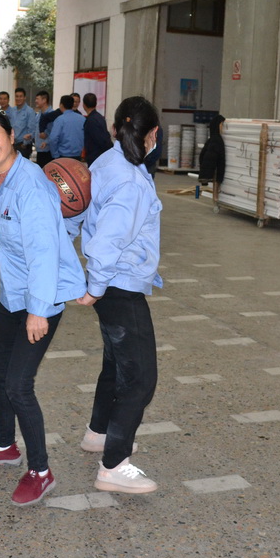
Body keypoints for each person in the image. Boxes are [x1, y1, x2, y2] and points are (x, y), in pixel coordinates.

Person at [0, 107, 86, 506]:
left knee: (18, 384)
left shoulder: (29, 184)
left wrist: (39, 310)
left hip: (40, 297)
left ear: (12, 135)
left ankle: (41, 471)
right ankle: (4, 446)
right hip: (13, 293)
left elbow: (44, 252)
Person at [70, 96, 163, 495]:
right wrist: (95, 288)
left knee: (116, 364)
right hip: (119, 286)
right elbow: (108, 240)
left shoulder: (108, 161)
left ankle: (99, 433)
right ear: (152, 134)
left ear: (114, 129)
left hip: (111, 283)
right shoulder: (131, 181)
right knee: (140, 378)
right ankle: (113, 466)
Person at [46, 95, 85, 160]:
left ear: (61, 105)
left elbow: (53, 138)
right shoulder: (82, 119)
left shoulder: (60, 120)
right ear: (72, 105)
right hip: (78, 155)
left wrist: (55, 155)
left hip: (63, 156)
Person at [6, 88, 37, 159]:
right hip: (13, 145)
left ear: (24, 97)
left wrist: (25, 144)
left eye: (20, 96)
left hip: (23, 146)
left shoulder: (29, 111)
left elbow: (32, 130)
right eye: (17, 96)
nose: (18, 98)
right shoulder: (12, 110)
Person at [81, 93, 112, 164]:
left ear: (84, 105)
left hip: (95, 157)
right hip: (100, 156)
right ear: (96, 103)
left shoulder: (91, 120)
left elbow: (100, 140)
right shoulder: (100, 117)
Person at [198, 114, 226, 191]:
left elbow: (201, 156)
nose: (223, 127)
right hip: (213, 173)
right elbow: (221, 161)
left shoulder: (211, 139)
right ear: (217, 126)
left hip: (207, 173)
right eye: (221, 125)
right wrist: (220, 179)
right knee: (215, 192)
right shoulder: (217, 140)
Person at [35, 91, 56, 169]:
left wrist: (46, 141)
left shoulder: (52, 114)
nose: (35, 101)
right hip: (39, 149)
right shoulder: (39, 114)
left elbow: (54, 133)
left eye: (37, 99)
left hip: (48, 150)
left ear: (44, 100)